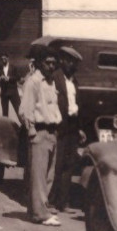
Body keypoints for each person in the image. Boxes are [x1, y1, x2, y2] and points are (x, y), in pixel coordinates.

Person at [19, 47, 63, 225]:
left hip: (52, 131)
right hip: (39, 130)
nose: (51, 66)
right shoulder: (34, 81)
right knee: (38, 176)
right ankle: (40, 214)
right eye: (48, 62)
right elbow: (25, 110)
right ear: (39, 63)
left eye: (54, 63)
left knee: (47, 175)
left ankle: (38, 209)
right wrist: (31, 130)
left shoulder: (51, 82)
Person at [48, 46, 84, 213]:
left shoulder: (74, 82)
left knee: (69, 164)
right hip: (58, 125)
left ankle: (63, 202)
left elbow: (76, 104)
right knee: (57, 163)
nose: (72, 65)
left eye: (75, 63)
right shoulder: (54, 78)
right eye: (70, 61)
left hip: (72, 125)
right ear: (63, 61)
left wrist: (80, 129)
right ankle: (50, 200)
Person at [0, 52, 21, 119]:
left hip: (13, 92)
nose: (4, 60)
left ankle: (24, 126)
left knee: (19, 110)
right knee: (5, 112)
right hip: (4, 92)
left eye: (5, 58)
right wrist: (0, 78)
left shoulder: (13, 67)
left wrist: (9, 78)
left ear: (8, 58)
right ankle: (5, 128)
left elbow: (18, 77)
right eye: (2, 58)